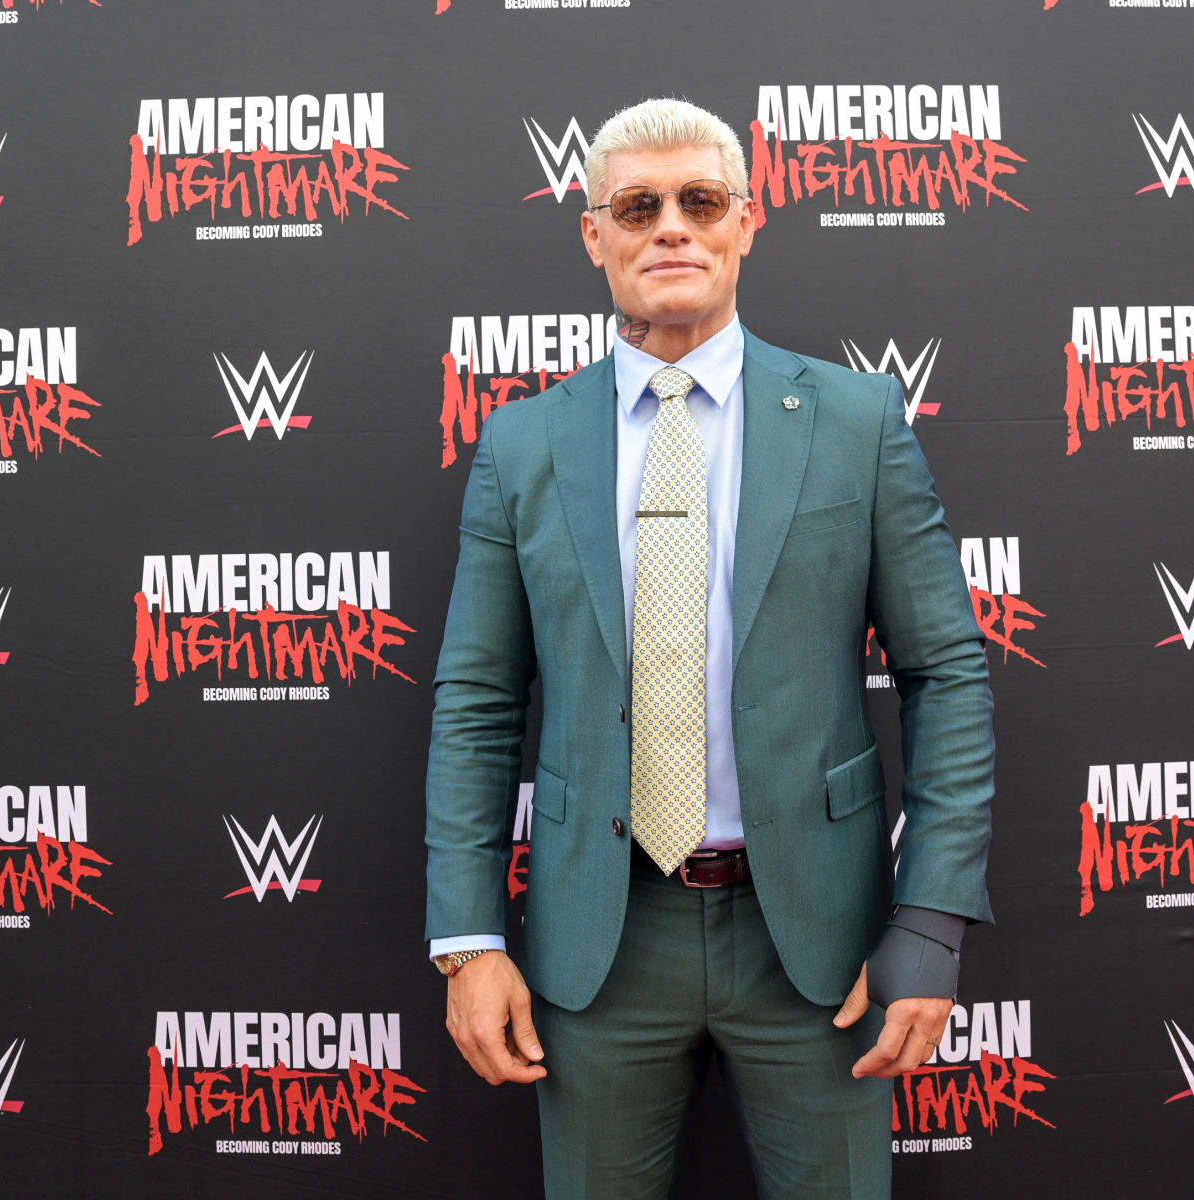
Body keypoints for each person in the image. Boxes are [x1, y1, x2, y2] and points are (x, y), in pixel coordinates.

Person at [424, 96, 996, 1199]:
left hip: (819, 948)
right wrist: (468, 936)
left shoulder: (858, 420)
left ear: (747, 221)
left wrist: (929, 922)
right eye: (638, 206)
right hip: (599, 944)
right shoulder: (523, 444)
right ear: (594, 235)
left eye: (701, 201)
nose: (671, 228)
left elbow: (947, 674)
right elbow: (478, 702)